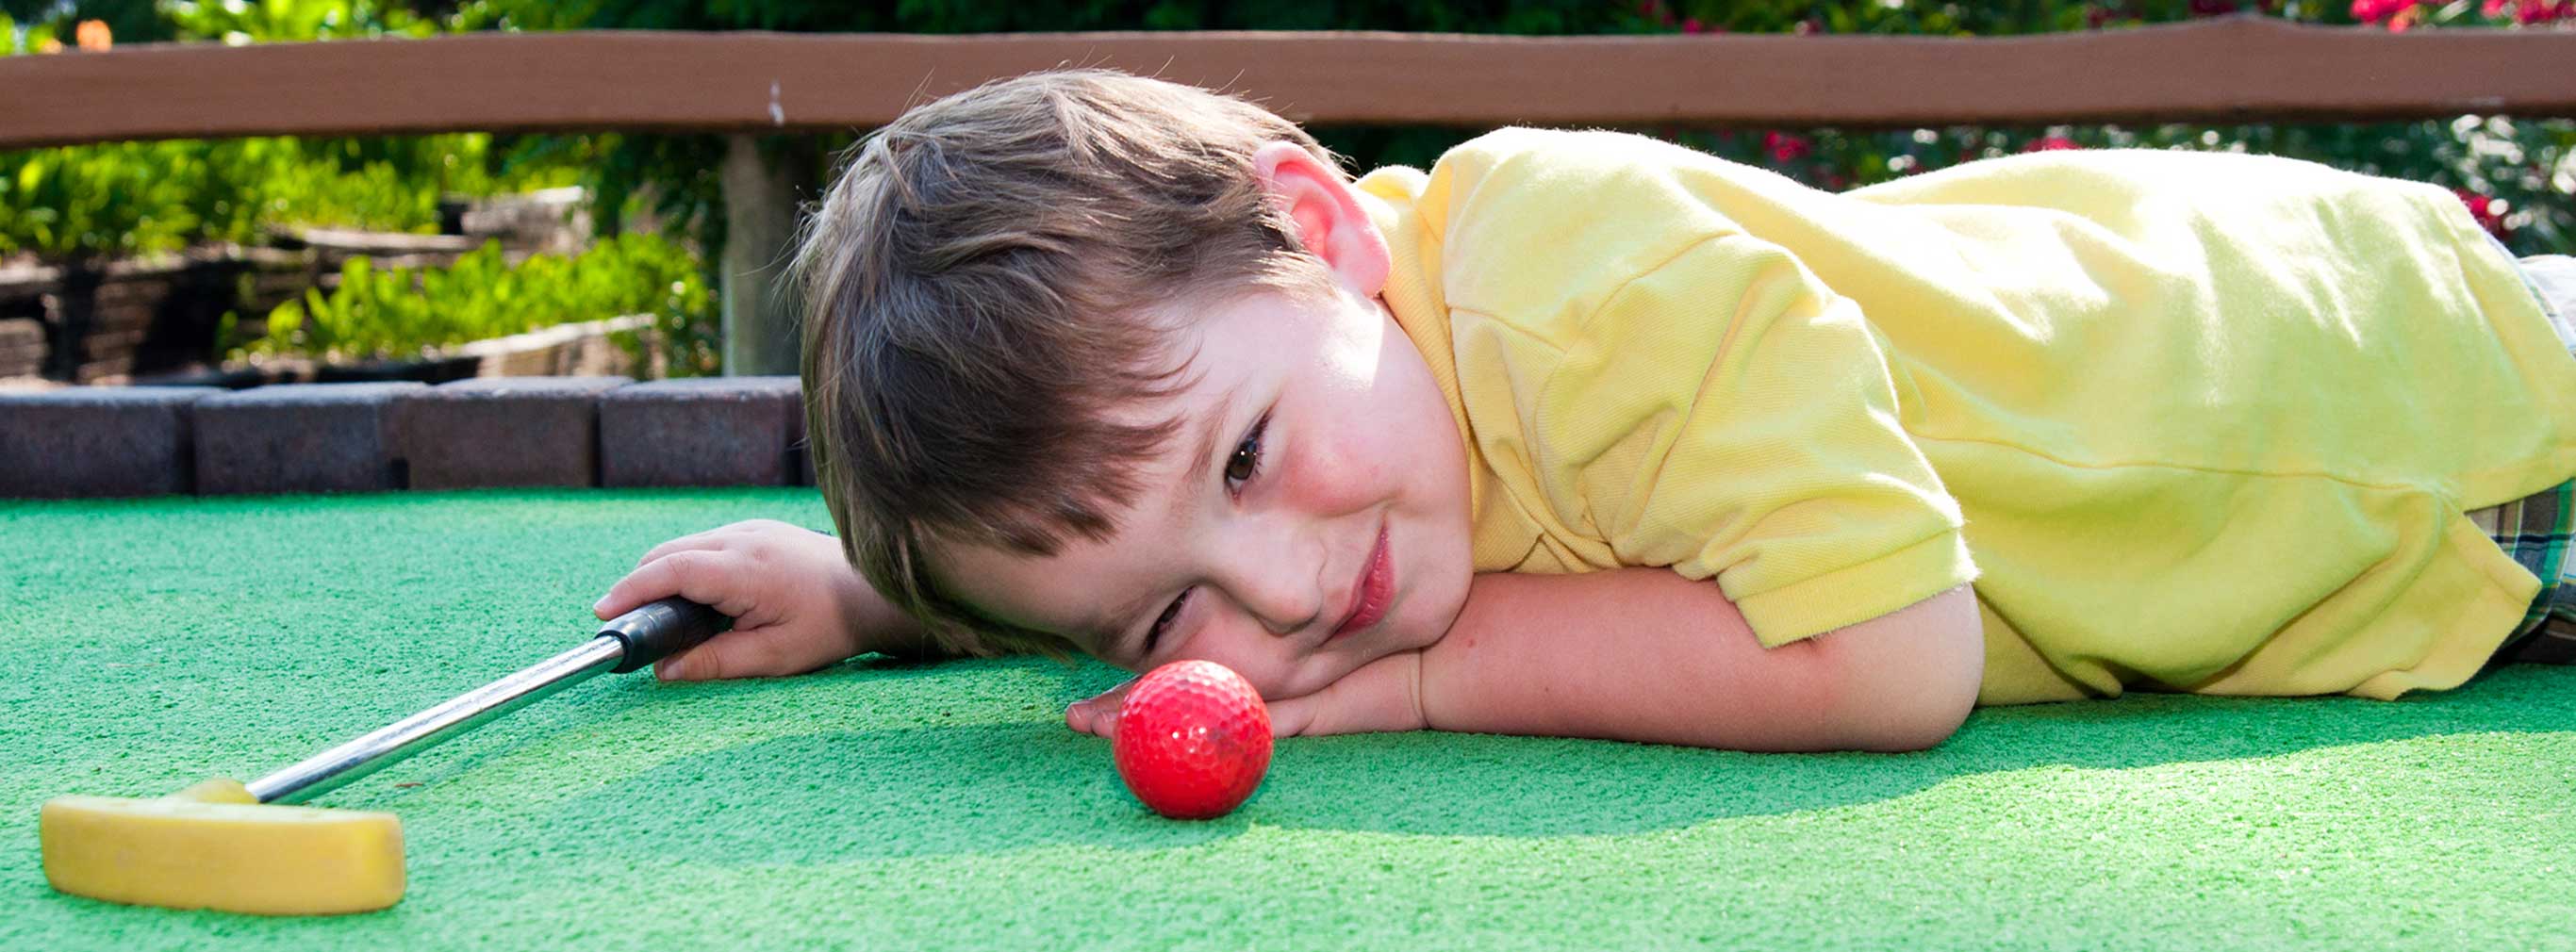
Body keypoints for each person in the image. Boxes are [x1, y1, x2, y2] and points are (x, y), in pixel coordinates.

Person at [590, 69, 2576, 753]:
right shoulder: (1313, 408)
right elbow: (1157, 532)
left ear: (1317, 227)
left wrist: (1445, 687)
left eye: (1251, 462)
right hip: (2371, 512)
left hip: (2444, 423)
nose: (1283, 596)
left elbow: (1892, 658)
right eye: (1149, 620)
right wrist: (883, 603)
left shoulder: (1575, 264)